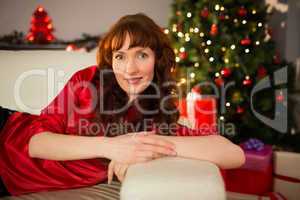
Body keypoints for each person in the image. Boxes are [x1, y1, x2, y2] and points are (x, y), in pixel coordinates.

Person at [0, 13, 245, 198]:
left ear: (158, 59)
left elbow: (235, 154)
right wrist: (113, 147)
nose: (130, 69)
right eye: (120, 56)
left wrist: (146, 144)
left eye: (141, 55)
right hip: (6, 134)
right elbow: (36, 143)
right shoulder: (88, 82)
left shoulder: (157, 118)